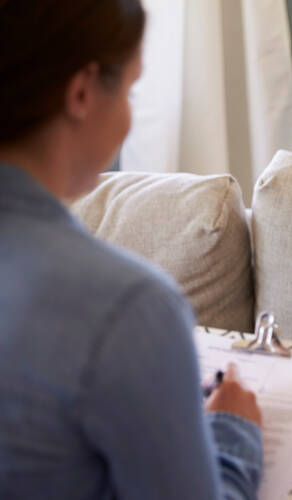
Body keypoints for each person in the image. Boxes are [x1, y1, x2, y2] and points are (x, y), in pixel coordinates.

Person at [0, 1, 264, 498]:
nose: (128, 117)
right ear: (80, 93)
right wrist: (235, 435)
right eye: (130, 89)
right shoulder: (126, 307)